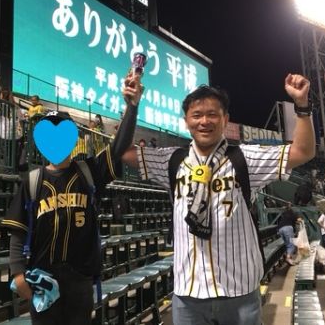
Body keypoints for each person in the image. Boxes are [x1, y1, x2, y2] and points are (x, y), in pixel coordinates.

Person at [123, 73, 315, 325]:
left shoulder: (245, 158)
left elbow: (303, 151)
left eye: (212, 114)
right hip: (188, 293)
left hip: (239, 292)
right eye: (197, 115)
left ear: (225, 119)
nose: (204, 121)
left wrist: (302, 105)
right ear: (186, 121)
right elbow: (123, 151)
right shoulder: (171, 160)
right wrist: (132, 106)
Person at [2, 71, 143, 325]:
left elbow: (118, 147)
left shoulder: (89, 172)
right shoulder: (32, 181)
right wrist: (18, 272)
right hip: (43, 278)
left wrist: (131, 107)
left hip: (80, 279)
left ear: (73, 139)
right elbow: (18, 233)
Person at [0, 90, 25, 171]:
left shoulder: (0, 105)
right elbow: (21, 120)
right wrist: (22, 132)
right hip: (14, 133)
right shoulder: (16, 107)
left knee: (7, 152)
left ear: (2, 96)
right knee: (13, 152)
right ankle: (12, 168)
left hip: (5, 133)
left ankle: (8, 168)